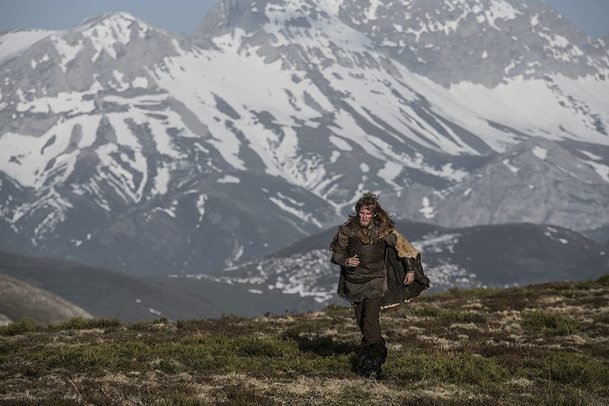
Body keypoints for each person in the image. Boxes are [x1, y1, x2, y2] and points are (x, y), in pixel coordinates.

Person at [329, 192, 430, 378]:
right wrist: (345, 261)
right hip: (354, 283)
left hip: (376, 281)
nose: (364, 216)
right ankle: (373, 353)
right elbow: (335, 254)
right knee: (361, 321)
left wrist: (409, 269)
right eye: (362, 212)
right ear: (357, 212)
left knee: (371, 320)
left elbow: (403, 248)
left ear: (374, 214)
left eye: (368, 213)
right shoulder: (347, 230)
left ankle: (372, 364)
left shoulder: (383, 230)